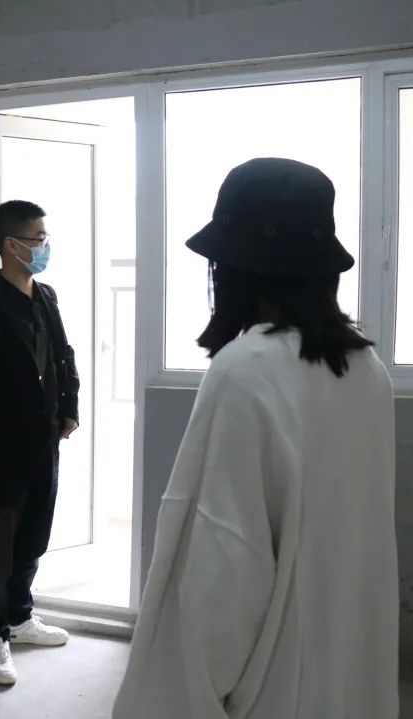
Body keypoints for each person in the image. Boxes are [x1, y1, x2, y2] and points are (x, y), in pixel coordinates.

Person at [113, 158, 399, 718]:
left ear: (234, 269)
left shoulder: (247, 370)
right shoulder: (368, 371)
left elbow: (223, 566)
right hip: (350, 670)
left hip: (277, 687)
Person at [0, 200, 80, 685]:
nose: (45, 247)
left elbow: (63, 355)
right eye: (39, 239)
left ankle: (22, 617)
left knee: (33, 536)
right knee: (0, 545)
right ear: (12, 245)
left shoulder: (45, 296)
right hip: (2, 451)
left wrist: (69, 408)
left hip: (44, 443)